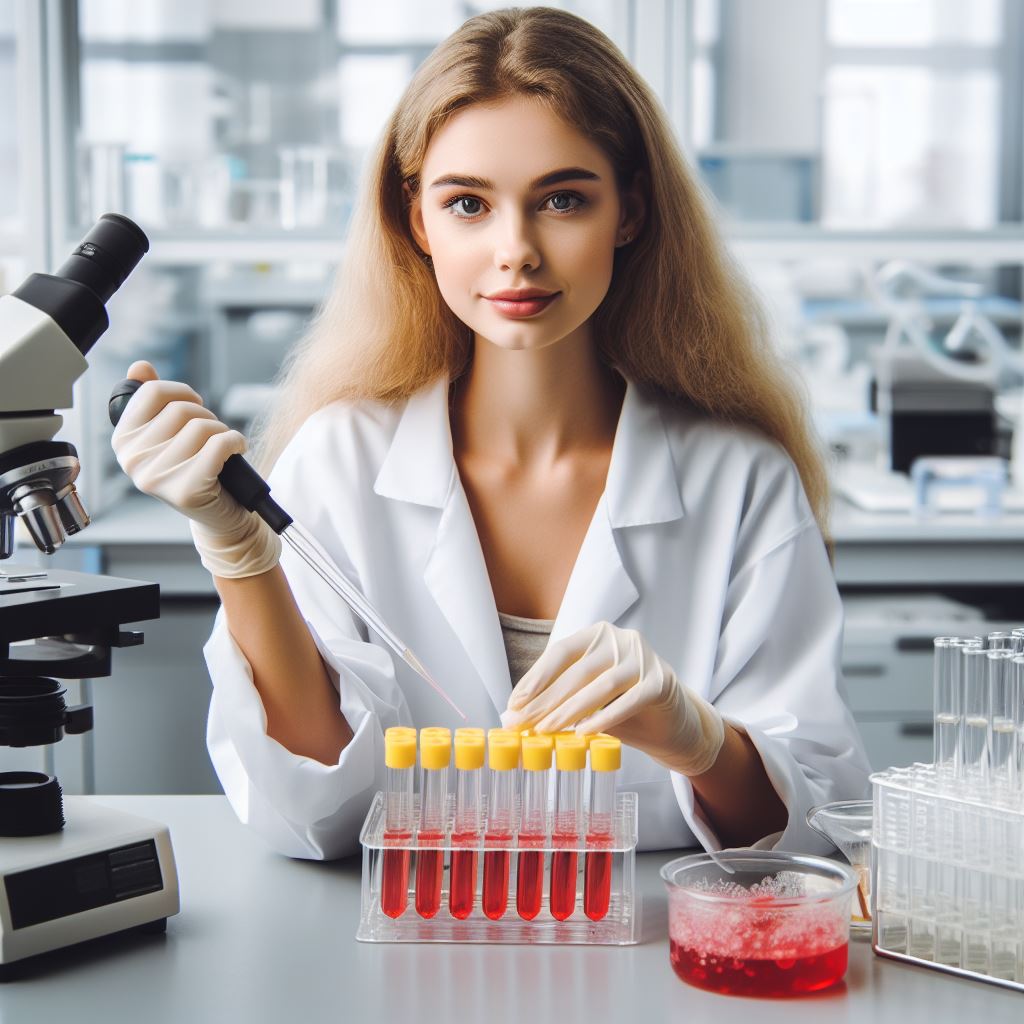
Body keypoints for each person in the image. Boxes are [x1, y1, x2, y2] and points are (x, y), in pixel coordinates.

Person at [112, 6, 870, 860]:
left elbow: (815, 833)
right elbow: (312, 812)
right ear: (417, 223)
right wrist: (237, 553)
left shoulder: (740, 481)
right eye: (468, 203)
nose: (516, 250)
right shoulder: (341, 457)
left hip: (657, 974)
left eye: (563, 199)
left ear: (629, 212)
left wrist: (697, 740)